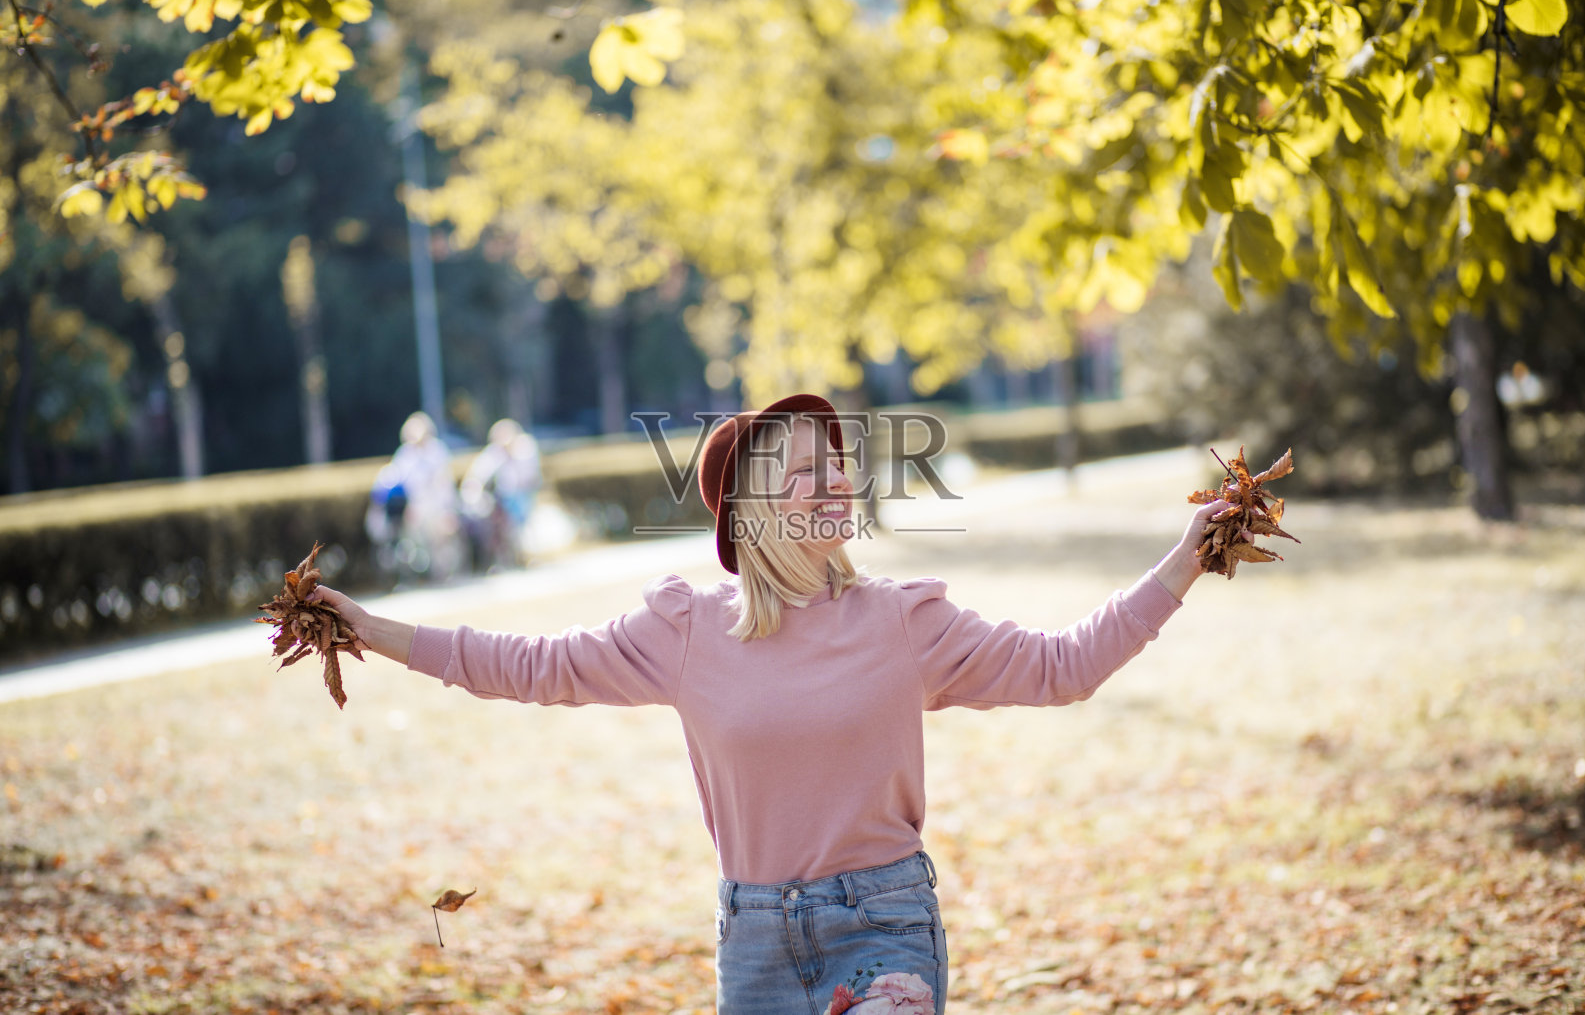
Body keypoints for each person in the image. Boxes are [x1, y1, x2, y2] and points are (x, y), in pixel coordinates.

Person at [314, 393, 1242, 1015]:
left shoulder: (904, 620)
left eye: (838, 463)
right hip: (752, 944)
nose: (838, 478)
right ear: (751, 511)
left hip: (885, 930)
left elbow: (1063, 665)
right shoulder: (684, 629)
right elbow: (526, 663)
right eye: (807, 470)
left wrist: (1188, 557)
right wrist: (371, 629)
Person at [364, 411, 465, 582]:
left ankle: (443, 575)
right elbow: (399, 484)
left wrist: (447, 510)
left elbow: (444, 485)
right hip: (414, 509)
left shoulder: (437, 452)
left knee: (440, 542)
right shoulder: (404, 455)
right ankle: (417, 576)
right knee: (410, 544)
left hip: (437, 508)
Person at [460, 418, 543, 569]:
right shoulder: (492, 455)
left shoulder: (525, 449)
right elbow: (476, 479)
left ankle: (526, 557)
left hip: (521, 496)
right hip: (500, 500)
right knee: (496, 529)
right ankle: (500, 561)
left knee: (524, 527)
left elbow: (531, 476)